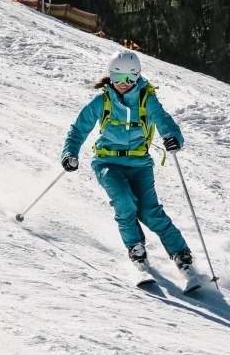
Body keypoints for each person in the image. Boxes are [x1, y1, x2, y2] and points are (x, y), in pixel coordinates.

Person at [62, 50, 200, 285]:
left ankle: (181, 254)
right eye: (117, 78)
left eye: (130, 78)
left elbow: (165, 121)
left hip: (139, 164)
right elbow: (78, 128)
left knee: (149, 211)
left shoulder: (147, 99)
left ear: (137, 77)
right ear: (110, 76)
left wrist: (173, 138)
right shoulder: (102, 101)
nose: (123, 84)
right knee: (125, 201)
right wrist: (70, 152)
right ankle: (136, 250)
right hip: (107, 162)